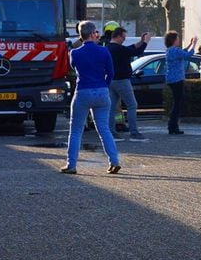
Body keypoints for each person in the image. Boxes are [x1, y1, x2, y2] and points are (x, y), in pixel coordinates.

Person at [61, 20, 121, 175]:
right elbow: (111, 73)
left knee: (75, 131)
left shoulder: (74, 53)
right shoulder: (104, 51)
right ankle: (114, 161)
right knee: (104, 129)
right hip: (102, 91)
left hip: (83, 91)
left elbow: (74, 68)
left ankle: (71, 165)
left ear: (81, 36)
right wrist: (104, 85)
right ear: (93, 33)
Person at [107, 26, 150, 142]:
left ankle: (111, 133)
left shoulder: (109, 48)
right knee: (132, 105)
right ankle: (134, 133)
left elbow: (130, 48)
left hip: (110, 81)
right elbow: (136, 52)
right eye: (124, 37)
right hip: (122, 81)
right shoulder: (119, 49)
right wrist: (145, 42)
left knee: (111, 107)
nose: (124, 39)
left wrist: (140, 41)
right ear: (119, 36)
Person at [164, 32, 195, 135]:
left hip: (171, 79)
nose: (178, 40)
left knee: (176, 102)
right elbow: (188, 55)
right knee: (177, 104)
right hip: (177, 79)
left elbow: (183, 52)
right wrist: (194, 44)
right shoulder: (175, 50)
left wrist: (190, 45)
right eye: (177, 39)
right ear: (173, 40)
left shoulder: (170, 50)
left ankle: (172, 126)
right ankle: (173, 126)